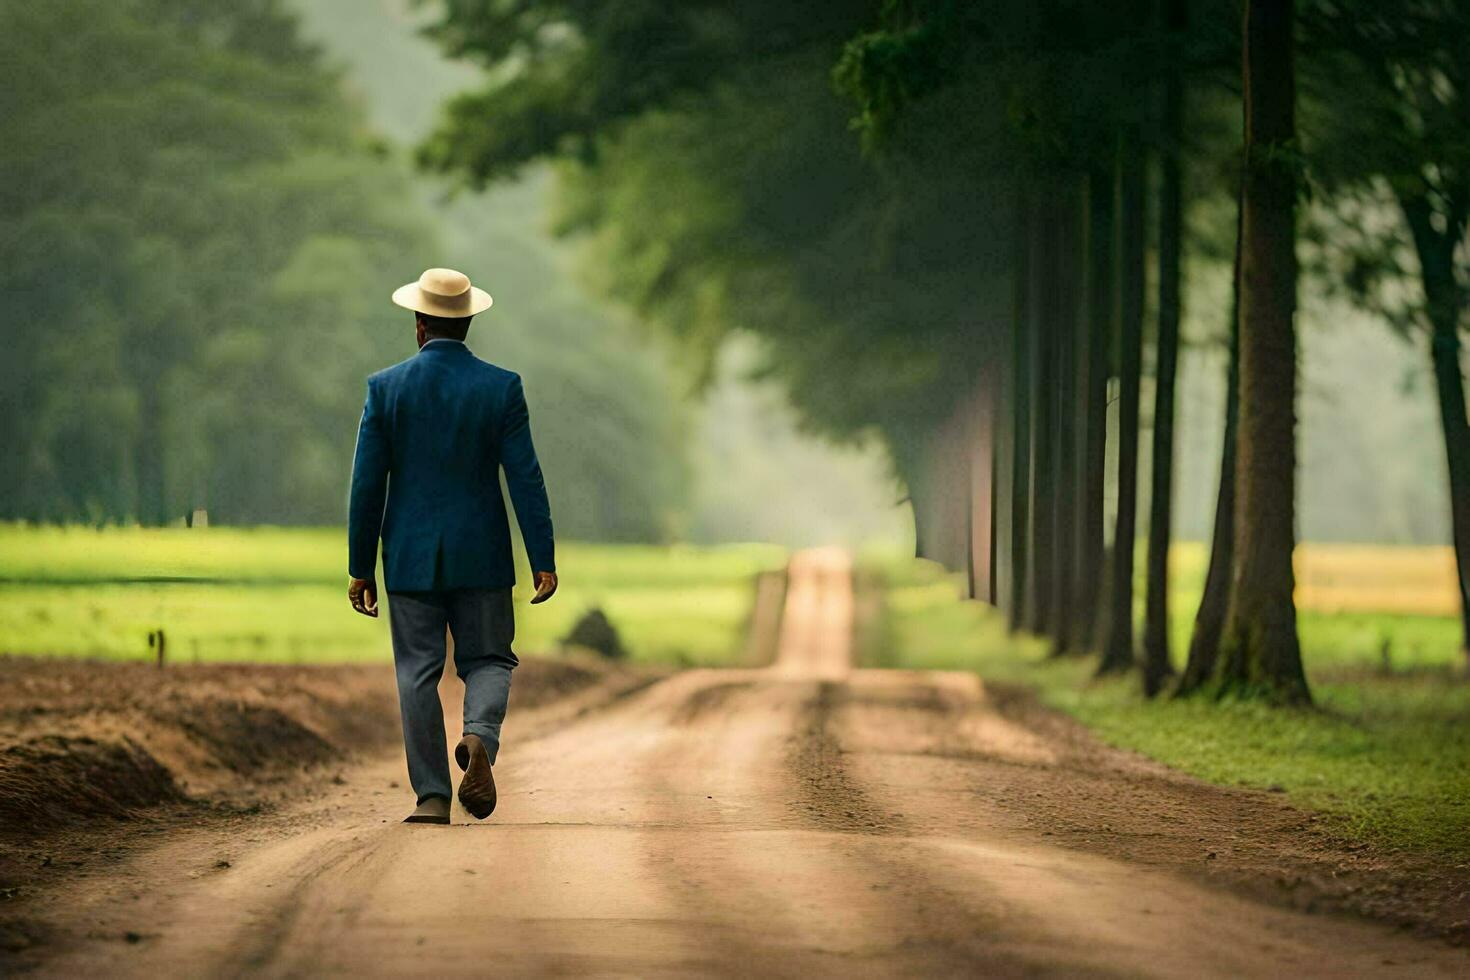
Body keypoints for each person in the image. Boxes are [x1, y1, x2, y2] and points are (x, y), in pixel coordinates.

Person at [346, 267, 558, 825]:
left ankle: (432, 797)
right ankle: (479, 737)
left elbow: (368, 484)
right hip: (483, 555)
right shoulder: (501, 388)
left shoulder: (384, 389)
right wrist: (543, 558)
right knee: (488, 658)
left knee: (417, 671)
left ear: (419, 325)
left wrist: (359, 566)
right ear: (467, 323)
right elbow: (525, 477)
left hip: (411, 560)